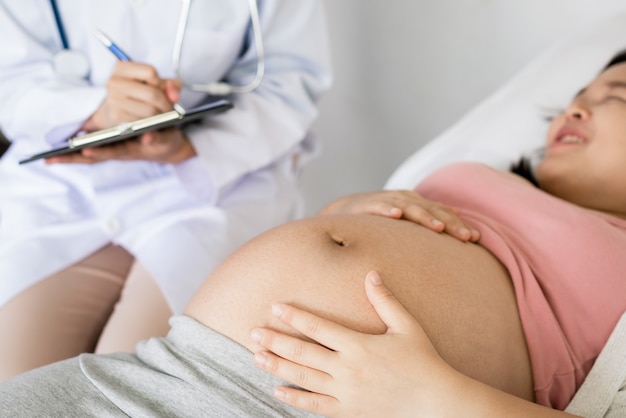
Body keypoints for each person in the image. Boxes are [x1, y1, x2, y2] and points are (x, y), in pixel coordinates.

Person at [0, 45, 624, 418]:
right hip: (169, 367)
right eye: (579, 94)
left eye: (616, 96)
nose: (574, 107)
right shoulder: (492, 181)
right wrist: (345, 211)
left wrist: (435, 397)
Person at [0, 0, 332, 381]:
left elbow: (288, 86)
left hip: (215, 183)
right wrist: (98, 112)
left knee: (131, 386)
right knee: (14, 385)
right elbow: (11, 80)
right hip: (68, 190)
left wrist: (186, 147)